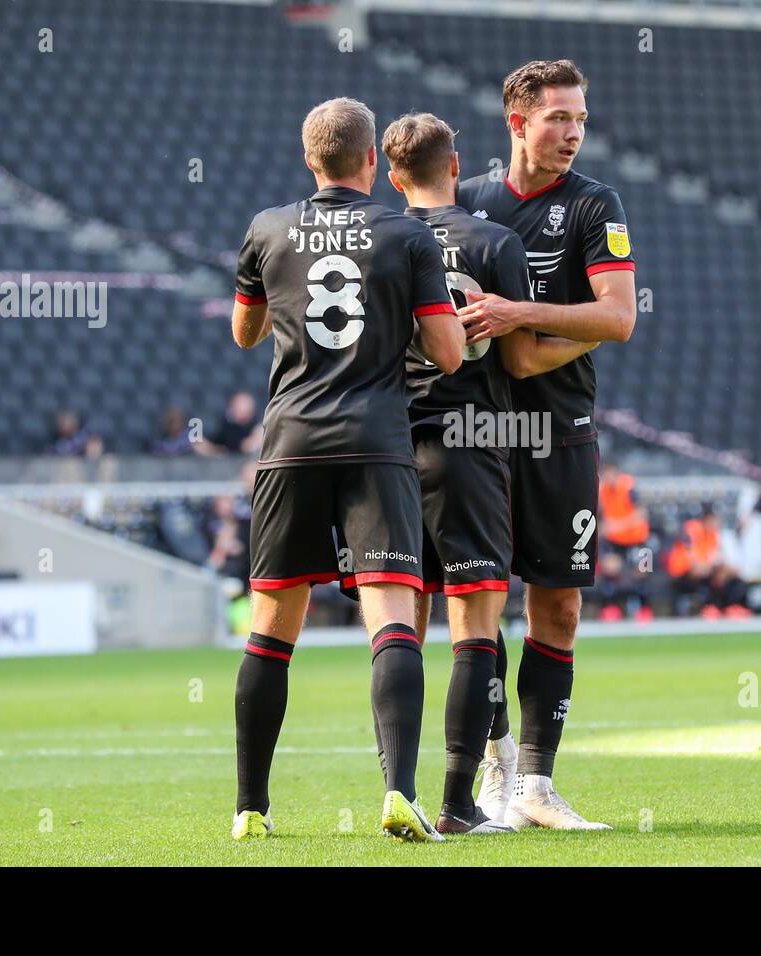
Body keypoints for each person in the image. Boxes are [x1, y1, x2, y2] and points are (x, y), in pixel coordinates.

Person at [228, 97, 464, 841]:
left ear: (310, 160)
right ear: (373, 163)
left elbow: (245, 331)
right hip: (376, 442)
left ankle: (250, 811)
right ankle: (398, 791)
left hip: (291, 442)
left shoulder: (268, 228)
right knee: (392, 618)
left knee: (270, 629)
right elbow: (450, 353)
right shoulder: (408, 233)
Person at [381, 111, 598, 834]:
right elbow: (521, 358)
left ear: (391, 174)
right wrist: (603, 326)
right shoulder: (494, 241)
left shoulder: (380, 243)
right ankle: (457, 804)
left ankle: (400, 791)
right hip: (472, 444)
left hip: (386, 452)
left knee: (401, 626)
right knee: (476, 622)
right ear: (457, 165)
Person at [455, 59, 637, 829]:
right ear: (517, 123)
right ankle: (495, 775)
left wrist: (519, 318)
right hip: (477, 431)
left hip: (562, 429)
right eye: (558, 117)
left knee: (557, 608)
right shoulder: (468, 203)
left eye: (580, 119)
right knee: (480, 607)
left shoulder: (596, 204)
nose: (571, 133)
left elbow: (619, 316)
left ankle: (537, 784)